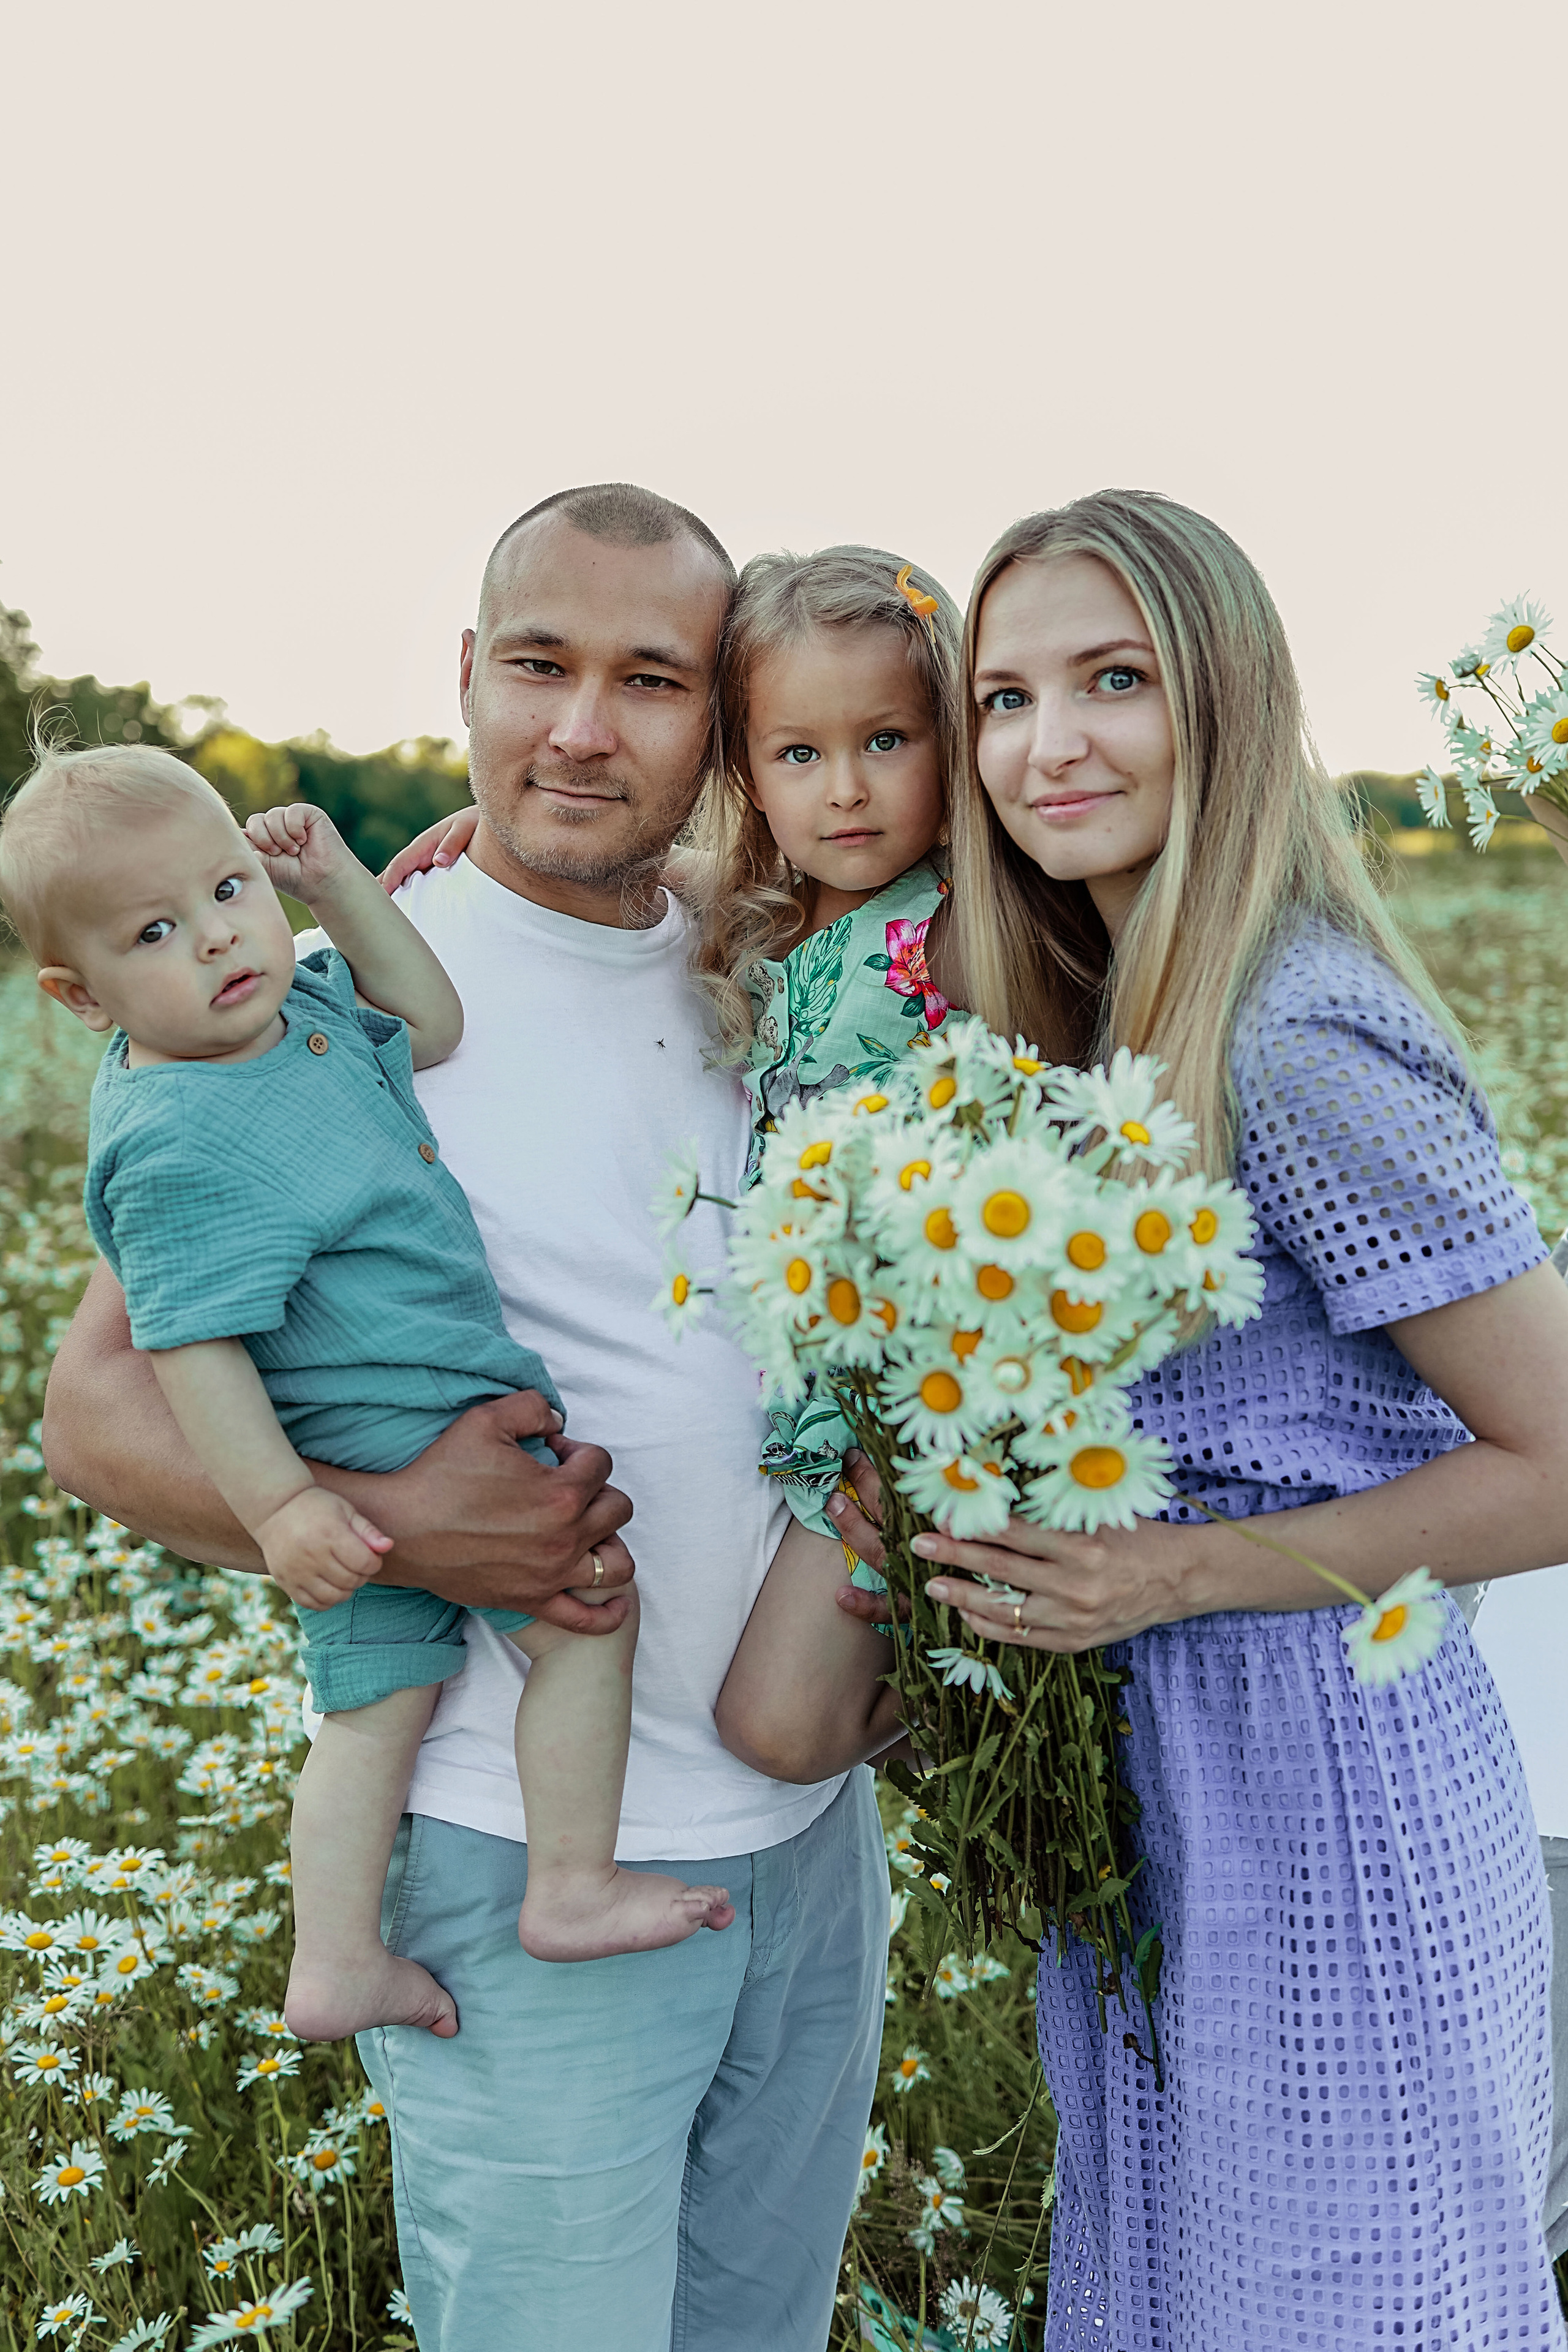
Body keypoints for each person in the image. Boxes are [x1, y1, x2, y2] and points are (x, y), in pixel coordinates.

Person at [40, 483, 892, 2352]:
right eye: (539, 664)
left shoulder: (796, 969)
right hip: (519, 1860)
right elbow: (96, 1411)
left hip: (814, 1835)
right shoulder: (318, 1009)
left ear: (721, 719)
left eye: (651, 680)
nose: (581, 727)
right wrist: (391, 1525)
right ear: (468, 678)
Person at [833, 490, 1568, 2347]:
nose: (1047, 744)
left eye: (1114, 681)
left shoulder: (1289, 1035)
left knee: (1354, 2303)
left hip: (1334, 1788)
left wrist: (1164, 1573)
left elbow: (1560, 1459)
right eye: (1001, 699)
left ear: (1226, 702)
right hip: (1170, 1805)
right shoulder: (1087, 1032)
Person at [0, 753, 734, 2053]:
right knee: (588, 1609)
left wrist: (333, 883)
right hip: (398, 1424)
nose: (222, 936)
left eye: (229, 889)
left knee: (375, 1710)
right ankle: (569, 1882)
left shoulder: (308, 1013)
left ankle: (334, 1963)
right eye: (157, 933)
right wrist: (283, 1508)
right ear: (74, 994)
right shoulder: (177, 1129)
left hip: (393, 1433)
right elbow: (191, 1348)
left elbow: (433, 1021)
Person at [399, 542, 965, 1778]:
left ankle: (986, 1699)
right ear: (748, 769)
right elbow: (693, 877)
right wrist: (503, 824)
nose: (846, 791)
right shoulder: (764, 921)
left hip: (929, 1398)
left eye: (888, 741)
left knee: (790, 1727)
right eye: (799, 753)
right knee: (786, 1722)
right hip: (823, 1408)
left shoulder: (953, 929)